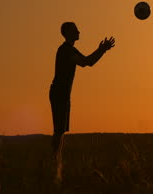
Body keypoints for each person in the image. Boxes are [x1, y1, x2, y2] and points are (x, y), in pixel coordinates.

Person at [49, 22, 115, 159]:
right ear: (67, 33)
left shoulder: (69, 49)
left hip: (63, 93)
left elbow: (88, 62)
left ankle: (56, 162)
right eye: (75, 30)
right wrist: (102, 49)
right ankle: (54, 162)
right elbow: (86, 62)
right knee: (58, 131)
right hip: (59, 93)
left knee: (60, 131)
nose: (79, 32)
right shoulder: (66, 50)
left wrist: (102, 50)